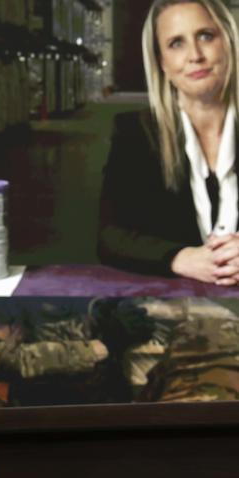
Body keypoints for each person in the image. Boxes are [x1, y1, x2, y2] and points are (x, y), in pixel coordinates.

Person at [98, 0, 239, 285]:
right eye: (176, 43)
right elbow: (110, 236)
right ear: (162, 62)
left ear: (228, 42)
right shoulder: (135, 132)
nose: (195, 55)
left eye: (206, 36)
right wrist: (180, 257)